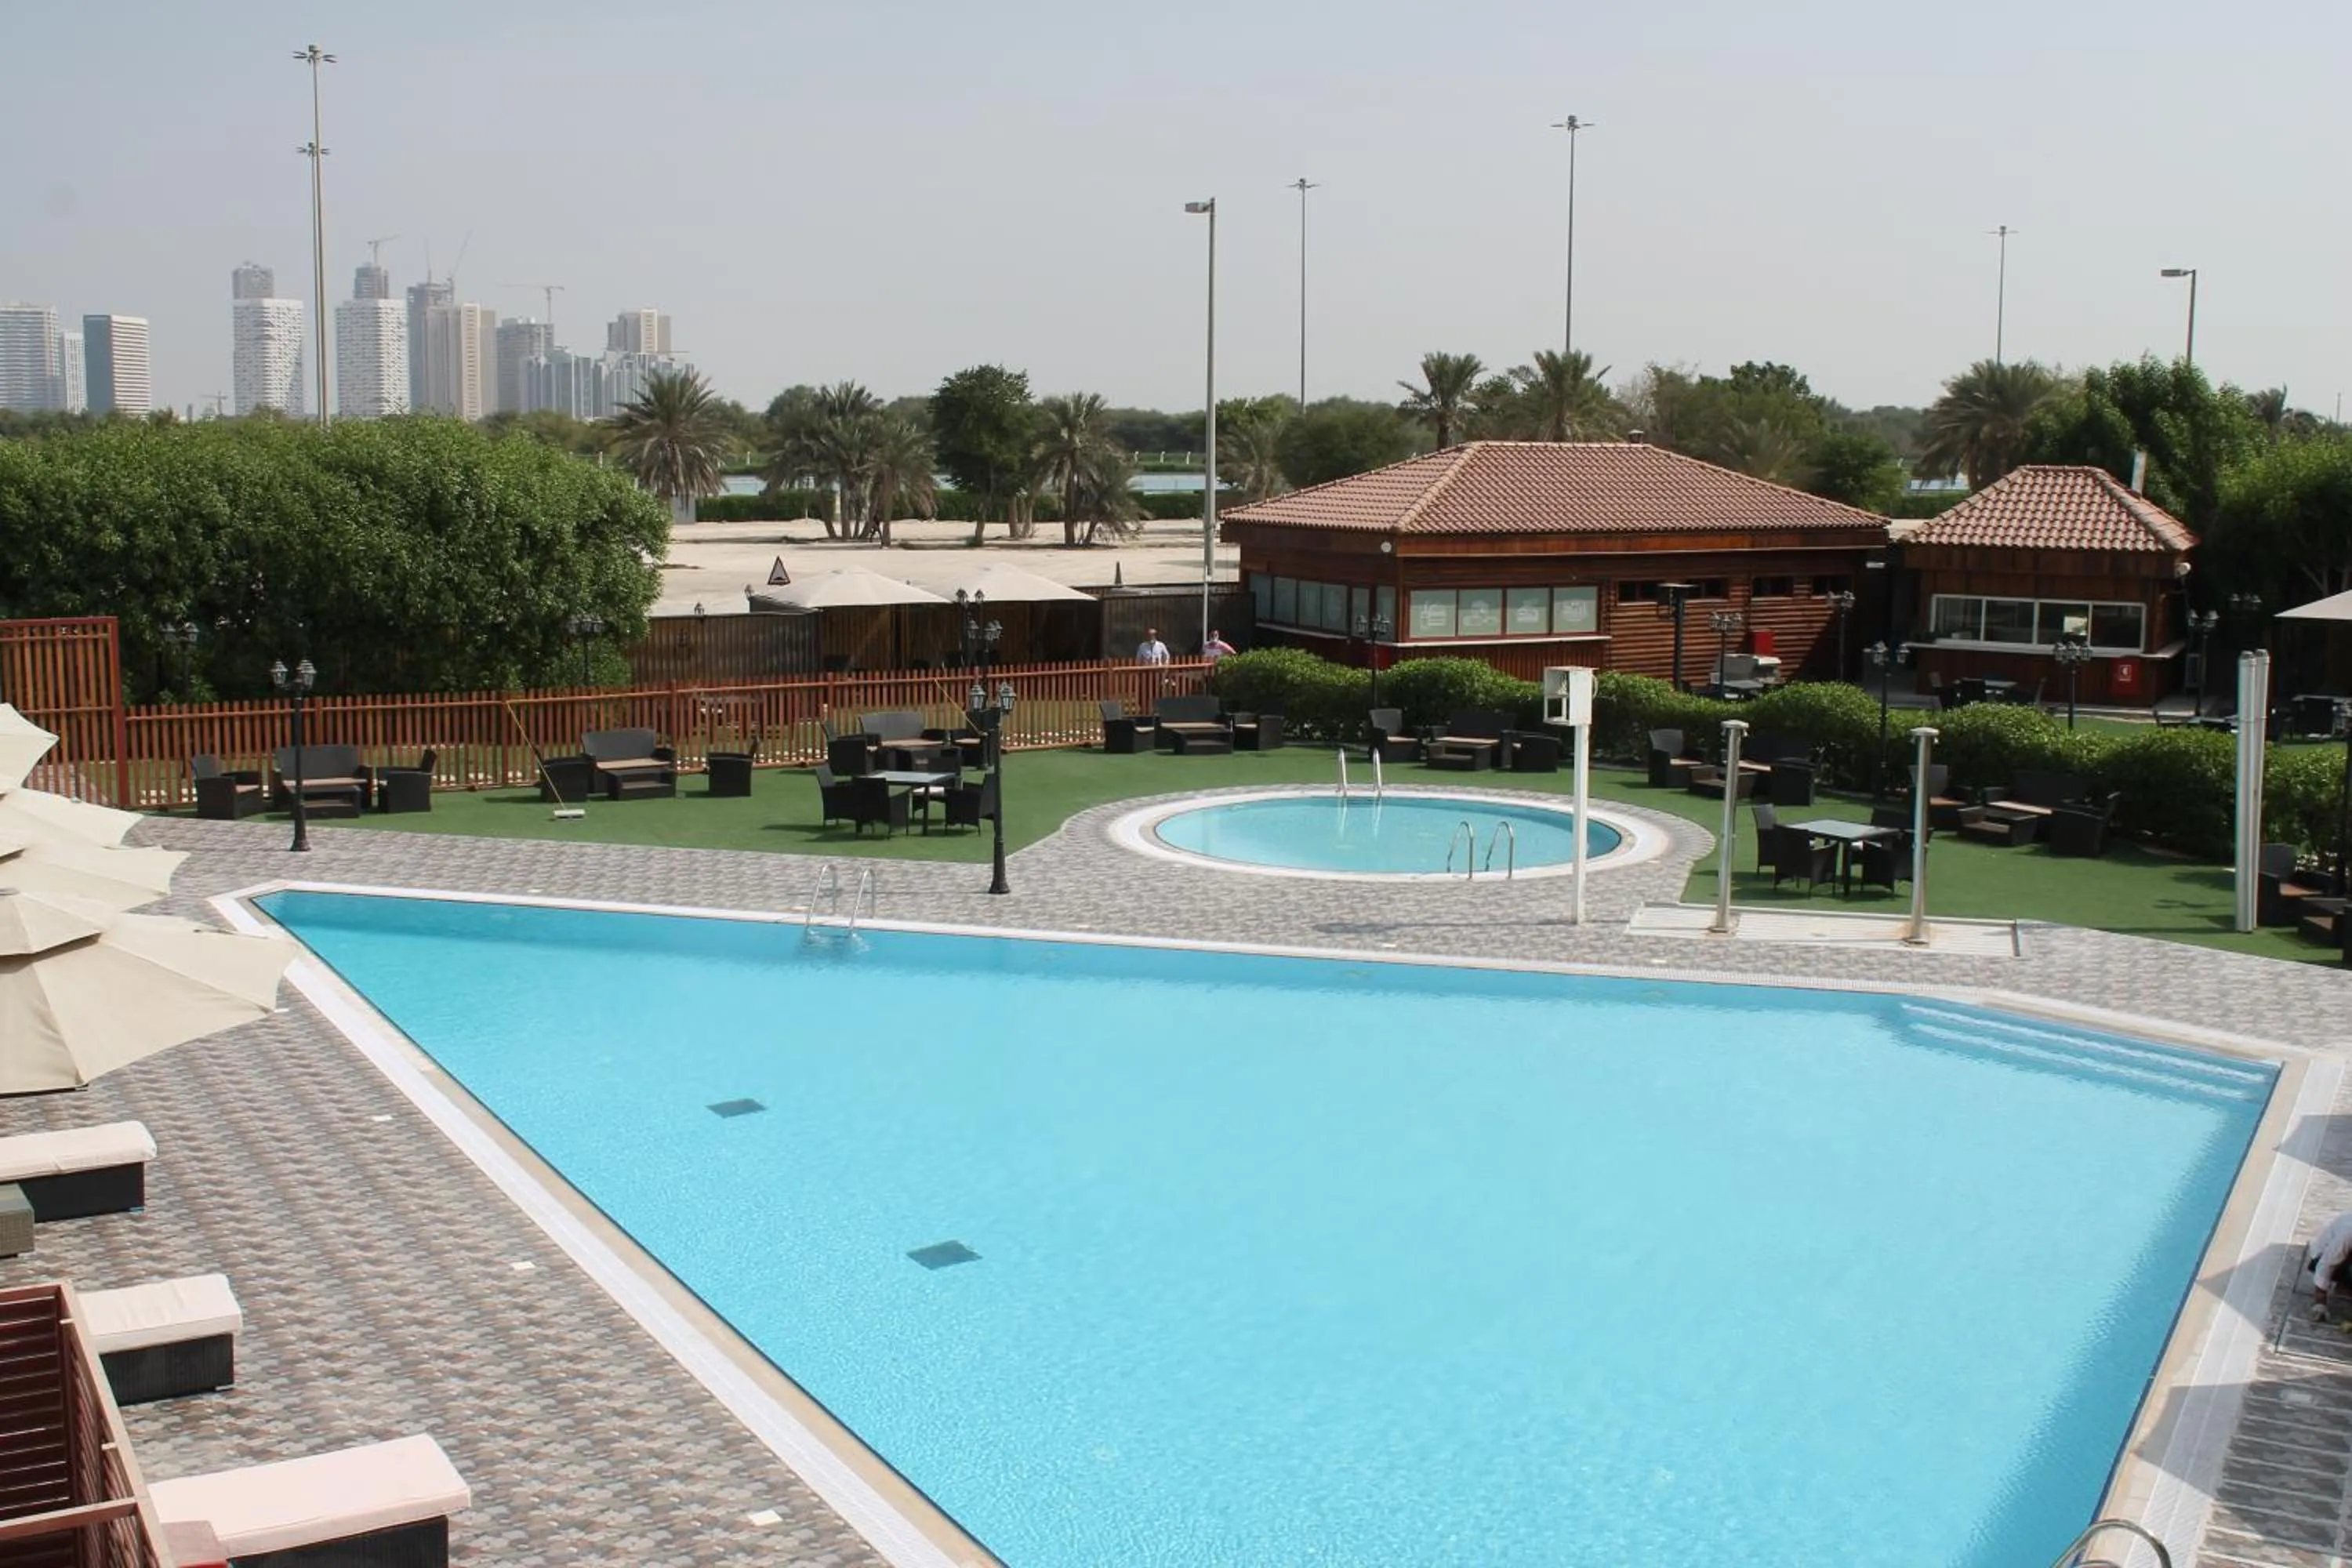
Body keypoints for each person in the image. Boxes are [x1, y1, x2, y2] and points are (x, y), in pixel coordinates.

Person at [2309, 1210, 2352, 1319]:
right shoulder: (2347, 1235)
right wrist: (2320, 1303)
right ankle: (2344, 1283)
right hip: (2323, 1255)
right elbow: (2326, 1264)